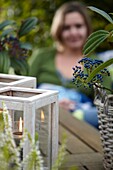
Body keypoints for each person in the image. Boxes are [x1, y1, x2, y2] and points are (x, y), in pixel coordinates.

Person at [28, 1, 111, 128]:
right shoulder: (42, 57)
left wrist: (74, 110)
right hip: (43, 117)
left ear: (87, 28)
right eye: (66, 27)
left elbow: (105, 104)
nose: (73, 32)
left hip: (81, 123)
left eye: (78, 26)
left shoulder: (97, 64)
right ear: (58, 30)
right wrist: (52, 106)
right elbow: (24, 90)